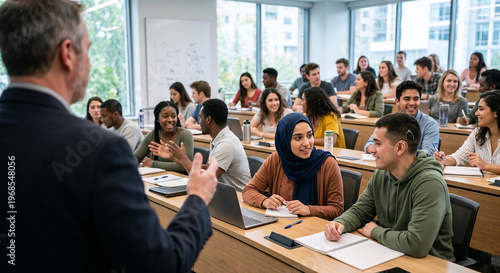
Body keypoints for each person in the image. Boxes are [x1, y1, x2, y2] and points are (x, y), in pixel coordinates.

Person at [0, 0, 218, 271]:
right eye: (88, 50)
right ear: (67, 54)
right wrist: (196, 199)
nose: (89, 64)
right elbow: (160, 265)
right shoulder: (100, 150)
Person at [325, 113, 455, 261]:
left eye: (378, 144)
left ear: (400, 147)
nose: (371, 149)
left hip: (430, 264)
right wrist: (340, 223)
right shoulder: (382, 173)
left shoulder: (430, 183)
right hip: (391, 252)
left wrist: (376, 232)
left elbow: (417, 244)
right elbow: (360, 211)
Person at [242, 113, 344, 220]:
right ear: (285, 140)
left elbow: (337, 209)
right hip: (282, 227)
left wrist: (309, 209)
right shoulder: (276, 159)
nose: (307, 143)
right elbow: (248, 190)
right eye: (298, 138)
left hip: (315, 231)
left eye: (309, 135)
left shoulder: (327, 163)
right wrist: (264, 201)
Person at [151, 99, 251, 191]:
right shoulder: (219, 138)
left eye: (200, 117)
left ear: (208, 119)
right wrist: (178, 157)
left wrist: (183, 159)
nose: (199, 122)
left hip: (239, 199)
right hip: (222, 194)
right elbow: (208, 169)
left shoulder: (226, 144)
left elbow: (205, 181)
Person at [364, 81, 439, 155]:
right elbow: (369, 144)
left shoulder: (430, 124)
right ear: (397, 101)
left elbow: (428, 152)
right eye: (407, 99)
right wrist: (372, 148)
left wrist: (398, 156)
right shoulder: (388, 121)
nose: (412, 103)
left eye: (416, 99)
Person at [435, 91, 500, 174]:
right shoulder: (478, 132)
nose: (476, 113)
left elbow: (484, 166)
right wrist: (445, 159)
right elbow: (460, 157)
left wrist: (485, 166)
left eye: (481, 109)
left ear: (496, 113)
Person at [134, 101, 194, 173]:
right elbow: (136, 157)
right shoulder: (152, 135)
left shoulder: (185, 135)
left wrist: (153, 164)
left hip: (180, 179)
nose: (170, 120)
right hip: (158, 178)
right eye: (165, 116)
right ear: (157, 119)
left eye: (173, 116)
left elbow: (186, 166)